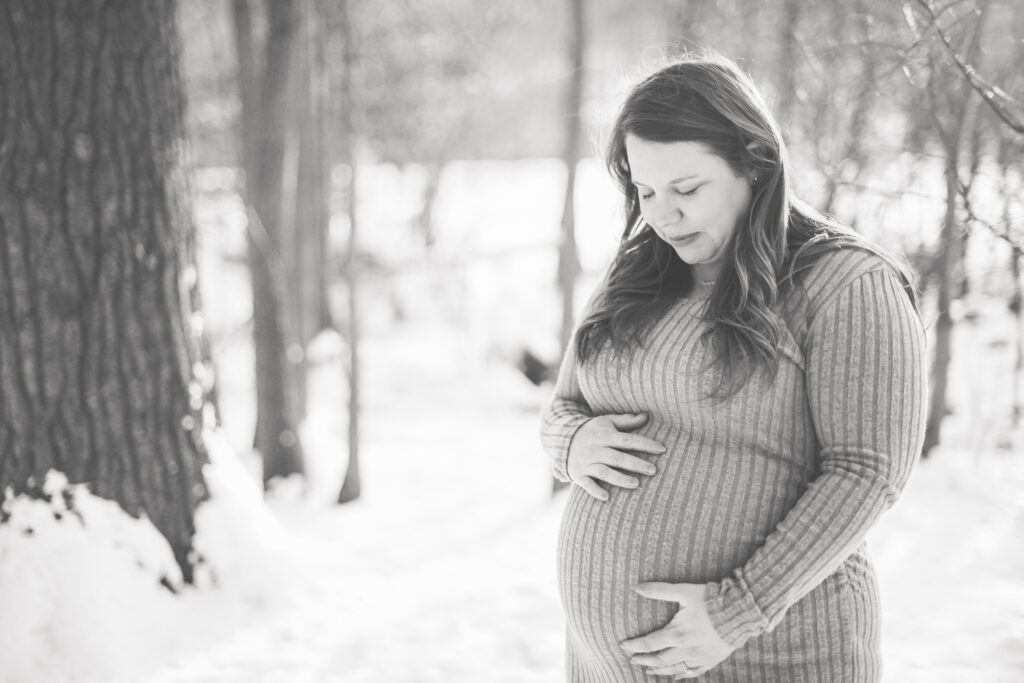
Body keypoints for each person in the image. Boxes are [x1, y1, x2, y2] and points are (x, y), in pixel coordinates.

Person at [539, 52, 927, 682]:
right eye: (645, 191)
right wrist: (571, 441)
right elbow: (564, 405)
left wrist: (738, 609)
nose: (663, 216)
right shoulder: (637, 270)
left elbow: (867, 471)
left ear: (754, 162)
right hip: (605, 667)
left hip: (772, 655)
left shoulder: (846, 283)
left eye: (687, 189)